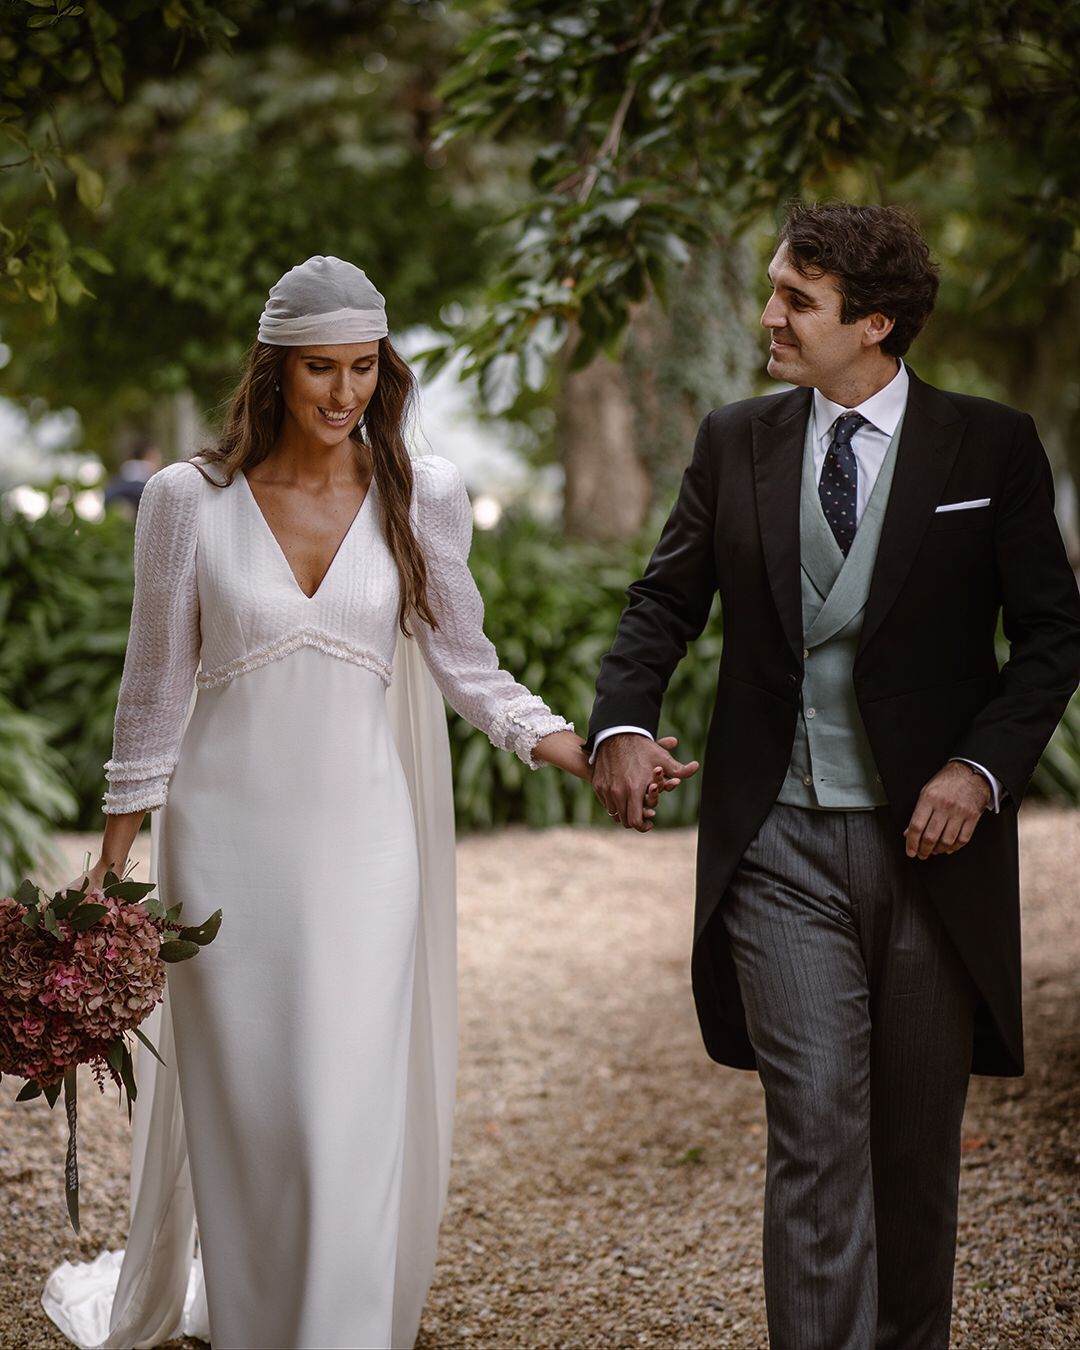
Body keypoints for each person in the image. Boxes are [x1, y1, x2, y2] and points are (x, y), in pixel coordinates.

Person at [42, 256, 598, 1350]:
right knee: (253, 1109)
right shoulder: (182, 501)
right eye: (318, 370)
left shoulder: (418, 492)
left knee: (343, 1101)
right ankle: (257, 1321)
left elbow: (465, 661)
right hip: (223, 851)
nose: (343, 395)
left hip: (364, 845)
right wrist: (110, 870)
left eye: (361, 370)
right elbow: (151, 691)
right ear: (272, 373)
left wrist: (567, 745)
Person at [588, 203, 1080, 1349]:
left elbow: (1052, 639)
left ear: (878, 323)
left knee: (916, 1153)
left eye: (796, 300)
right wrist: (621, 722)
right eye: (775, 289)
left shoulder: (990, 447)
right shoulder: (735, 440)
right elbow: (664, 602)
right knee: (814, 1131)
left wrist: (977, 769)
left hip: (933, 853)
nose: (769, 316)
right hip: (779, 845)